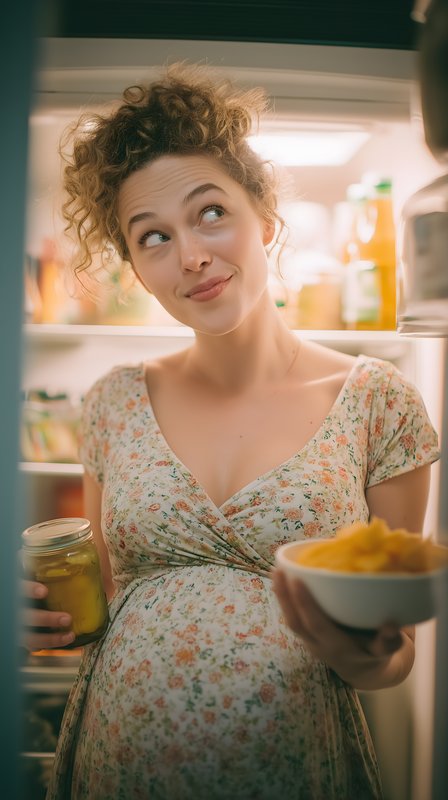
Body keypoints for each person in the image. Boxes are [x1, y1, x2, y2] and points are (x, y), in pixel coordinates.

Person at [22, 63, 440, 799]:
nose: (190, 256)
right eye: (152, 237)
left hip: (295, 764)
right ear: (137, 271)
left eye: (210, 211)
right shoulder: (113, 404)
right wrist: (42, 620)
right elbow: (102, 602)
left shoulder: (380, 402)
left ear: (265, 219)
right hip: (120, 762)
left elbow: (396, 649)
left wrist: (368, 660)